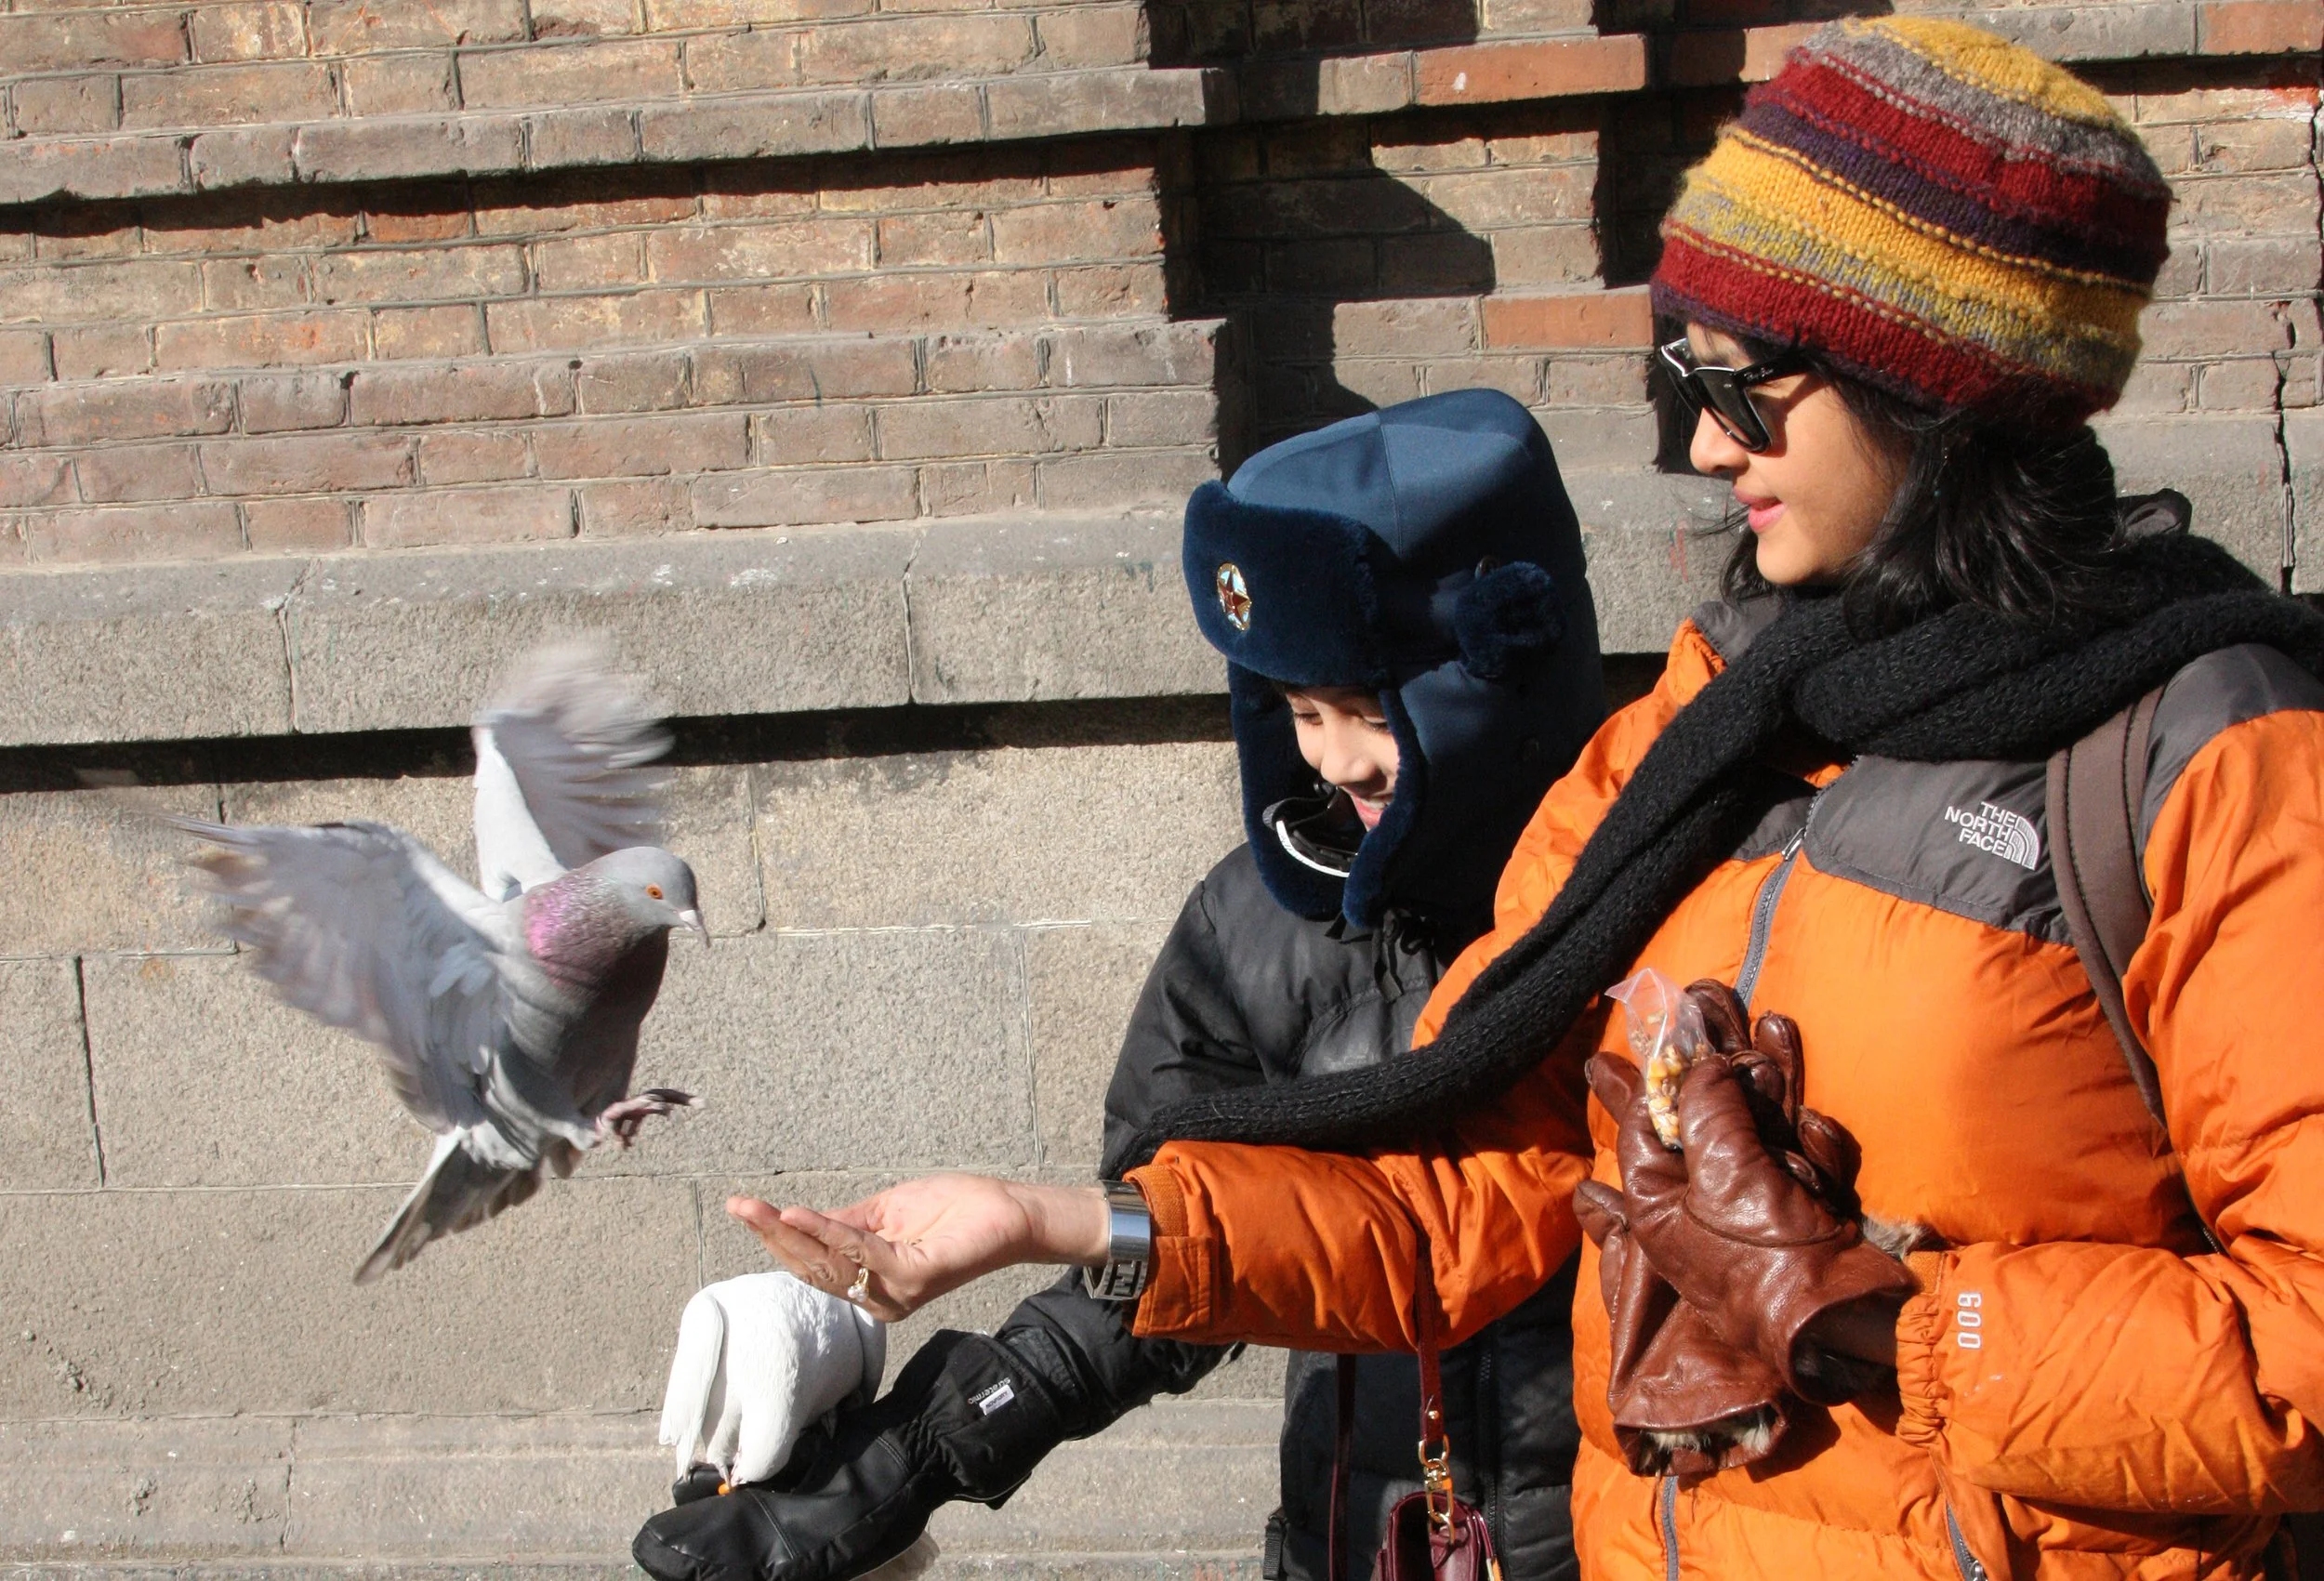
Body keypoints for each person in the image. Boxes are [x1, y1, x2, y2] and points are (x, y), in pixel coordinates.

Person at [677, 19, 2324, 1578]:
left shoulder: (2214, 745)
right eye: (1686, 370)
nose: (1699, 442)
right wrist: (1040, 1218)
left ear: (1935, 382)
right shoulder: (1711, 727)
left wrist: (1868, 1316)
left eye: (1747, 381)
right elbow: (1476, 1188)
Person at [633, 389, 1608, 1581]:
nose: (1332, 758)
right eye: (1298, 710)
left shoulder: (1647, 903)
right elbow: (1165, 1258)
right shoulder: (1254, 922)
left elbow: (1451, 1234)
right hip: (1353, 1537)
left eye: (1369, 710)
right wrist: (908, 1461)